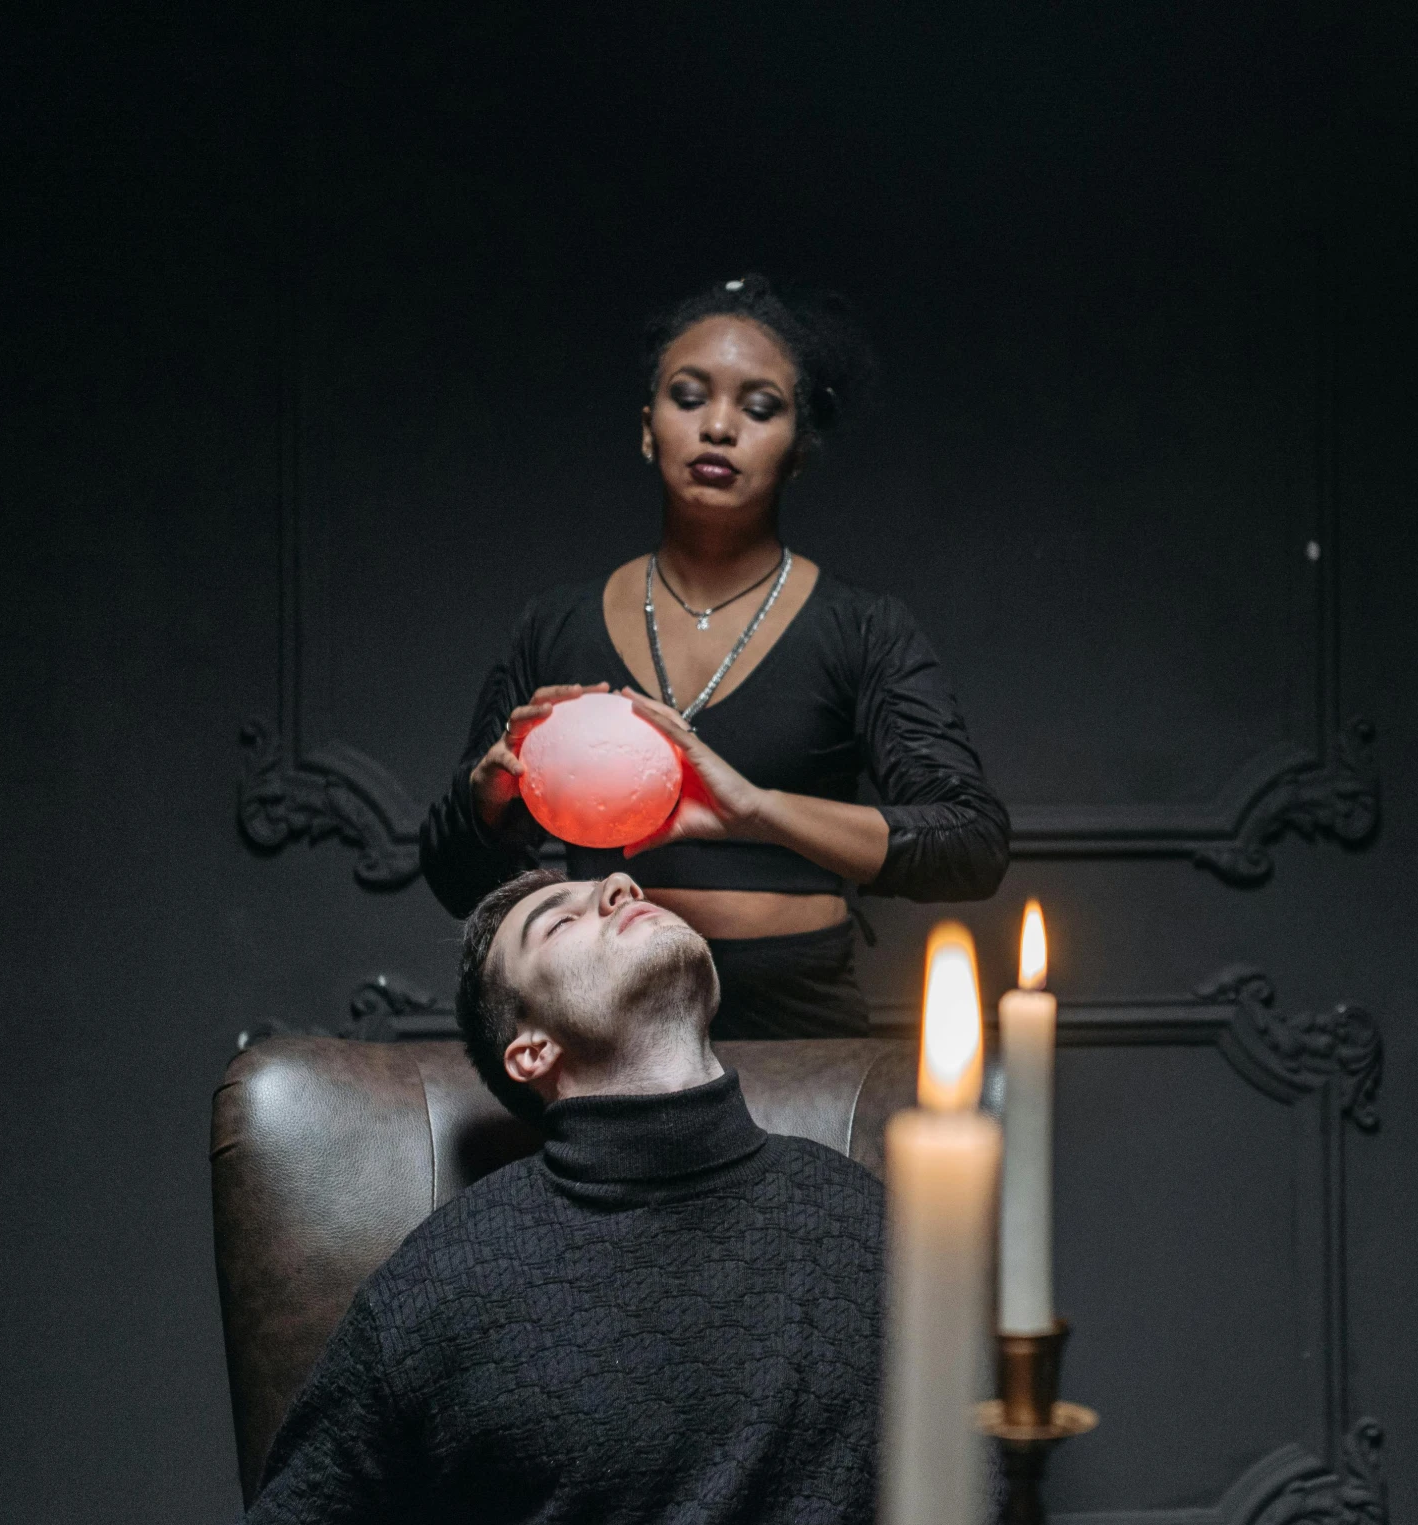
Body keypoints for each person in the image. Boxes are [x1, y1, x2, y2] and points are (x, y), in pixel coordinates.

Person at [204, 868, 885, 1525]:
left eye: (620, 889)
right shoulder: (441, 1287)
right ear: (531, 1050)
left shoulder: (873, 1225)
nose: (621, 884)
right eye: (560, 921)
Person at [420, 275, 1010, 1039]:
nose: (719, 427)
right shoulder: (554, 624)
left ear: (797, 451)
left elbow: (969, 845)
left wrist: (755, 812)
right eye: (689, 397)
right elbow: (456, 883)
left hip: (800, 1029)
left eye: (759, 408)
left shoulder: (863, 627)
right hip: (599, 1028)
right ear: (646, 428)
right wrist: (489, 798)